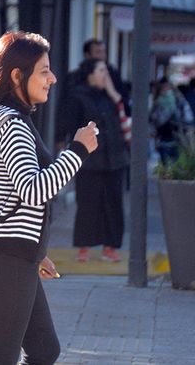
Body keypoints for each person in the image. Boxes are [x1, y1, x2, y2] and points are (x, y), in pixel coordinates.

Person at [0, 31, 97, 365]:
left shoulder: (4, 117)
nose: (52, 78)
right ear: (17, 76)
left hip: (12, 253)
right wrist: (78, 150)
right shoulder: (11, 124)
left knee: (44, 351)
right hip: (7, 256)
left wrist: (34, 250)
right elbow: (33, 190)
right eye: (44, 71)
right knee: (0, 359)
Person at [64, 59, 130, 263]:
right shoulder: (77, 96)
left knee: (114, 204)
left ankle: (110, 247)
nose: (105, 75)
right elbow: (70, 127)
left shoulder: (112, 96)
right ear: (90, 74)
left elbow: (127, 116)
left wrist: (114, 94)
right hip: (89, 159)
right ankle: (84, 247)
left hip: (115, 158)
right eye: (101, 71)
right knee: (88, 203)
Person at [56, 38, 130, 146]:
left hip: (111, 139)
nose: (102, 56)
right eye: (98, 52)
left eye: (103, 52)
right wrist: (60, 138)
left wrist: (113, 93)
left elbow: (125, 108)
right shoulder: (74, 80)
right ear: (87, 55)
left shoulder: (113, 76)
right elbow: (64, 110)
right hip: (84, 136)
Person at [150, 77, 194, 164]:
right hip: (163, 138)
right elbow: (153, 120)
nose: (166, 90)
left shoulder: (179, 100)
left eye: (168, 87)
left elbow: (187, 116)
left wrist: (187, 129)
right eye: (164, 88)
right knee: (166, 163)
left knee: (177, 163)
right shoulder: (157, 103)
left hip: (177, 138)